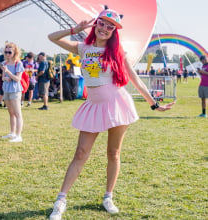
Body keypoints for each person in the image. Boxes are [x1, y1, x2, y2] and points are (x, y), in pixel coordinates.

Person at [48, 6, 175, 219]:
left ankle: (108, 196)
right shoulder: (83, 47)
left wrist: (154, 104)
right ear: (95, 24)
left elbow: (135, 79)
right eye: (102, 23)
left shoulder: (117, 52)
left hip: (117, 104)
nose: (105, 29)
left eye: (110, 27)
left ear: (114, 31)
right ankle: (61, 200)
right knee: (80, 153)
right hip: (93, 106)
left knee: (113, 153)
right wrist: (74, 29)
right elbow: (51, 37)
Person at [0, 42, 24, 142]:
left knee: (18, 113)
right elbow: (2, 78)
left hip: (15, 90)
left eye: (9, 52)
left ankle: (18, 136)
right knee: (11, 113)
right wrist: (6, 78)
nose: (7, 54)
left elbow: (18, 79)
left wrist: (8, 73)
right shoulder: (4, 64)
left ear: (14, 52)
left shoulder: (18, 63)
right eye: (6, 52)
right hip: (6, 89)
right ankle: (12, 133)